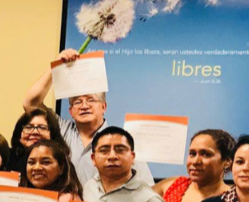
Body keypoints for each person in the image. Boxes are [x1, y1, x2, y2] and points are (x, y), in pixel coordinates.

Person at [23, 49, 154, 186]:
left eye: (91, 100)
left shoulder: (121, 141)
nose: (84, 106)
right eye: (77, 102)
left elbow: (148, 187)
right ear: (71, 111)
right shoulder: (60, 130)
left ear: (104, 106)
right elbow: (30, 103)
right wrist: (55, 68)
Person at [7, 107, 67, 175]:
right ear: (19, 133)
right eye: (29, 127)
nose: (35, 132)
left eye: (42, 127)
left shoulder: (62, 161)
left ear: (53, 134)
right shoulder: (6, 157)